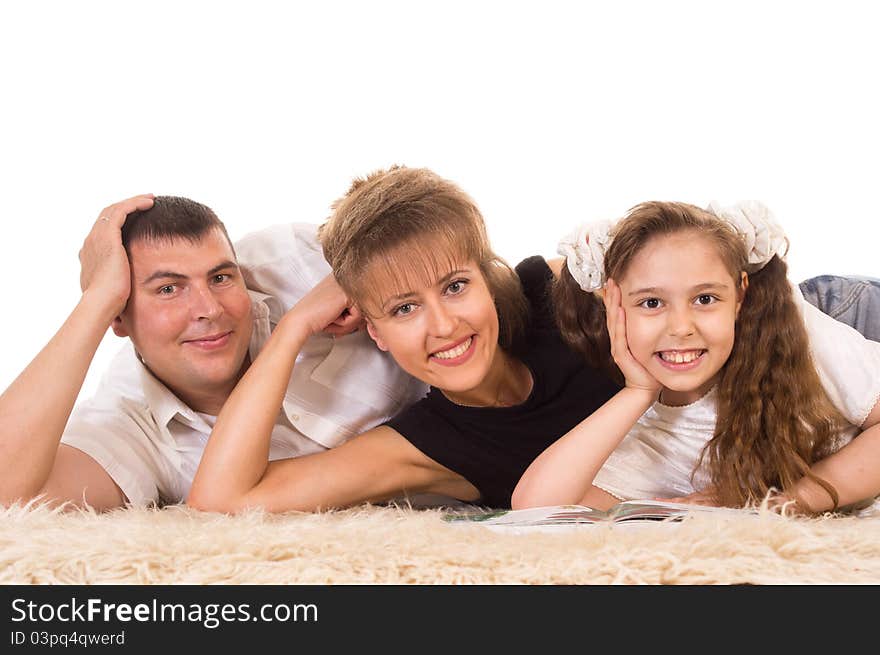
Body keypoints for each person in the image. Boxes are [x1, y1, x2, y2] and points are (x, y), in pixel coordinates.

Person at [186, 166, 621, 513]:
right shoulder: (425, 446)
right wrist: (293, 329)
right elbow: (219, 500)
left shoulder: (559, 288)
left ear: (486, 278)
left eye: (455, 286)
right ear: (375, 331)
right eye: (404, 308)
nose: (444, 326)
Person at [0, 194, 425, 510]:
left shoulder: (296, 262)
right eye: (169, 289)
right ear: (118, 318)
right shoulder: (129, 425)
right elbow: (9, 496)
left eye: (221, 278)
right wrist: (96, 300)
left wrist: (372, 278)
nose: (209, 310)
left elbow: (450, 258)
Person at [512, 200, 880, 515]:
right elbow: (537, 507)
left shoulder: (796, 335)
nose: (681, 327)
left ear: (739, 296)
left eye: (704, 299)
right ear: (613, 306)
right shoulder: (655, 428)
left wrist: (792, 501)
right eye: (651, 303)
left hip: (852, 306)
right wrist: (637, 391)